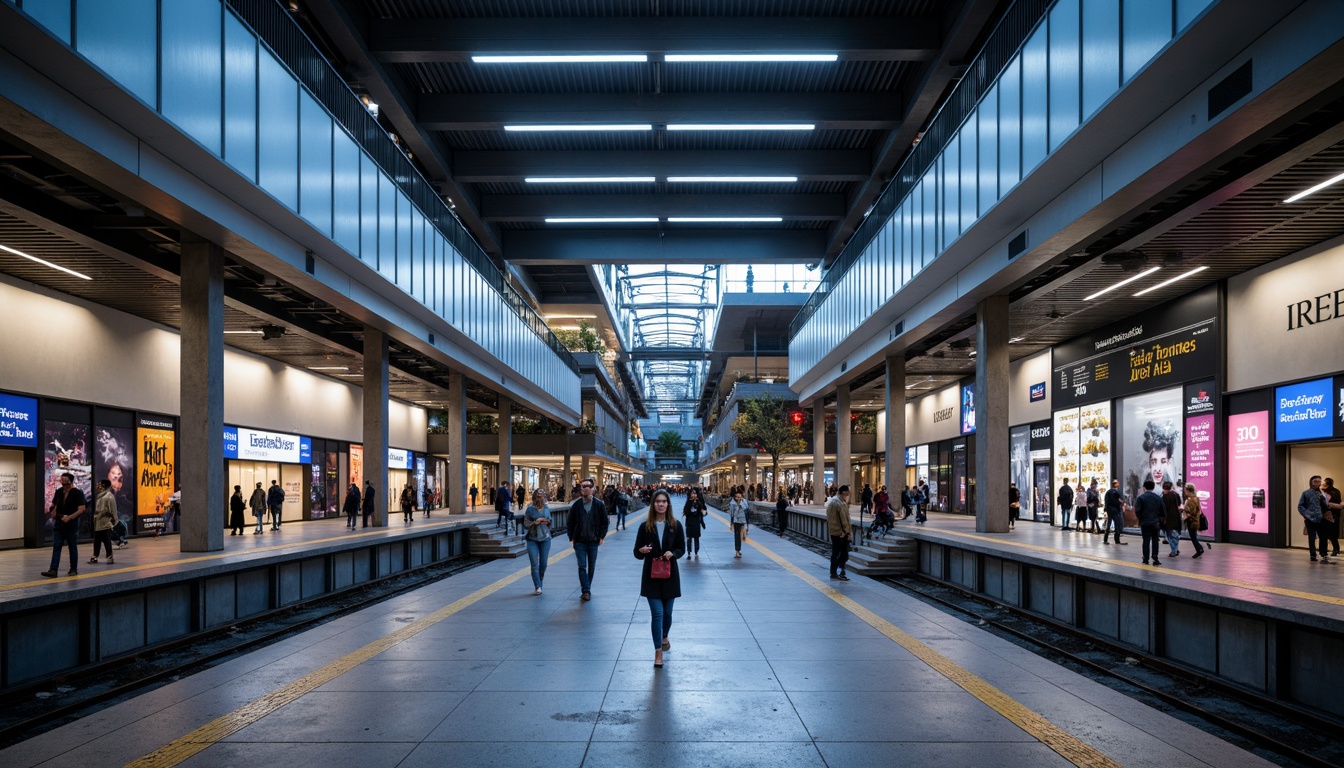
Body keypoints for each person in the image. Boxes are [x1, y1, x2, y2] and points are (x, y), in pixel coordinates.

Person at [635, 489, 685, 668]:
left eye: (664, 501)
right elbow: (636, 552)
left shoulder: (676, 525)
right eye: (658, 501)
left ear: (668, 504)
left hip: (670, 575)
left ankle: (665, 636)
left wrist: (674, 553)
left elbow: (682, 548)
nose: (661, 504)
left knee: (668, 614)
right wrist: (642, 551)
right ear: (653, 504)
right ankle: (658, 652)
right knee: (657, 614)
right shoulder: (645, 526)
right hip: (651, 575)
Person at [567, 477, 608, 601]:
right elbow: (570, 522)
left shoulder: (599, 505)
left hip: (593, 541)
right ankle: (586, 591)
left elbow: (604, 522)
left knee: (591, 566)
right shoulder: (576, 505)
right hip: (579, 541)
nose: (586, 488)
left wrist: (601, 536)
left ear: (593, 489)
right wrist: (571, 538)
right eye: (583, 486)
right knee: (582, 566)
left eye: (589, 486)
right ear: (581, 489)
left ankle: (587, 588)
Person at [42, 472, 86, 577]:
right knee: (56, 546)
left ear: (71, 481)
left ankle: (73, 569)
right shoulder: (59, 491)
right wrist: (53, 510)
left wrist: (69, 517)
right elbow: (54, 504)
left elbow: (81, 509)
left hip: (71, 524)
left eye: (66, 482)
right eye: (62, 481)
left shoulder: (77, 493)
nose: (64, 484)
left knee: (72, 547)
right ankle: (53, 570)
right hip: (59, 523)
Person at [523, 489, 552, 595]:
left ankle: (539, 581)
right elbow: (526, 523)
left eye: (542, 496)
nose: (540, 498)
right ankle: (538, 586)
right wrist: (535, 522)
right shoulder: (530, 509)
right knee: (534, 564)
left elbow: (550, 521)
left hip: (545, 538)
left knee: (543, 564)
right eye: (538, 496)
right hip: (532, 539)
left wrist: (547, 522)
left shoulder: (547, 508)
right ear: (534, 497)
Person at [1298, 475, 1331, 563]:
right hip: (1311, 519)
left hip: (1322, 518)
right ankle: (1313, 554)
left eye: (1319, 481)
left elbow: (1326, 505)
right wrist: (1307, 515)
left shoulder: (1322, 493)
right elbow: (1300, 506)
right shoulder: (1306, 493)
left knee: (1323, 537)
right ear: (1311, 482)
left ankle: (1323, 553)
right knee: (1312, 537)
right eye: (1315, 481)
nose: (1317, 483)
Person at [1134, 480, 1165, 567]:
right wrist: (1159, 519)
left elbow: (1137, 510)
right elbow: (1163, 511)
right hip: (1155, 522)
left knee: (1146, 540)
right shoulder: (1158, 498)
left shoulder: (1141, 498)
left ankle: (1145, 558)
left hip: (1145, 522)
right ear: (1153, 487)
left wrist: (1140, 518)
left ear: (1144, 488)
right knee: (1155, 540)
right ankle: (1155, 557)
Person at [826, 485, 853, 581]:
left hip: (836, 532)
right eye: (848, 491)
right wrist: (847, 532)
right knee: (840, 553)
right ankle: (835, 572)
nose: (849, 493)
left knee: (839, 553)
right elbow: (844, 520)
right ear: (844, 492)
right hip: (840, 533)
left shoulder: (837, 502)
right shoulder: (839, 503)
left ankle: (839, 570)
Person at [89, 479, 116, 564]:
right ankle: (95, 555)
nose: (97, 486)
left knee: (106, 540)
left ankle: (109, 556)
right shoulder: (100, 496)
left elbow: (113, 510)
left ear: (104, 486)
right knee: (97, 540)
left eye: (99, 484)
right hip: (98, 521)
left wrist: (114, 520)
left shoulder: (109, 496)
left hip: (105, 522)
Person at [1182, 483, 1206, 559]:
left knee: (1193, 537)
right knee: (1194, 536)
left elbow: (1189, 512)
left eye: (1185, 490)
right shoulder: (1196, 498)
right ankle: (1200, 548)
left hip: (1191, 521)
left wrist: (1182, 511)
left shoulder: (1189, 500)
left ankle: (1199, 550)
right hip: (1196, 520)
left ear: (1187, 491)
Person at [1102, 479, 1129, 545]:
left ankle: (1105, 539)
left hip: (1109, 510)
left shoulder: (1108, 492)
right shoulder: (1116, 492)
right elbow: (1120, 500)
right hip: (1116, 510)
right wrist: (1123, 504)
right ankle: (1117, 540)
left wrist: (1106, 509)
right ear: (1116, 484)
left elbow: (1106, 501)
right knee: (1117, 524)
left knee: (1109, 524)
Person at [682, 488, 707, 558]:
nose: (694, 495)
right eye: (692, 494)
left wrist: (702, 523)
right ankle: (689, 552)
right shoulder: (688, 502)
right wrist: (690, 510)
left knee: (696, 538)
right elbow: (685, 511)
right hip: (689, 523)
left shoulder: (699, 503)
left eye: (695, 494)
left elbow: (701, 513)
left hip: (696, 523)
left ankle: (696, 552)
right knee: (689, 538)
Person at [1160, 481, 1183, 557]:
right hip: (1176, 517)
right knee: (1175, 535)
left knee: (1170, 536)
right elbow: (1179, 505)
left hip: (1169, 519)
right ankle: (1176, 549)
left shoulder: (1164, 497)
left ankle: (1174, 550)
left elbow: (1163, 509)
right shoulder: (1176, 495)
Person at [1321, 478, 1342, 558]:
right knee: (1324, 534)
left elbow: (1337, 504)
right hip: (1324, 515)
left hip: (1333, 515)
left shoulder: (1335, 492)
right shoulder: (1322, 491)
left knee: (1332, 534)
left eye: (1324, 484)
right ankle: (1325, 550)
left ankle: (1335, 549)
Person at [727, 488, 749, 558]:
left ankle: (743, 537)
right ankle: (737, 551)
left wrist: (741, 504)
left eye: (739, 497)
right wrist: (731, 523)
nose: (738, 498)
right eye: (737, 497)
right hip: (736, 521)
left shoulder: (744, 502)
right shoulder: (732, 503)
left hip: (743, 521)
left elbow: (746, 509)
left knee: (741, 536)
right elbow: (732, 513)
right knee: (737, 536)